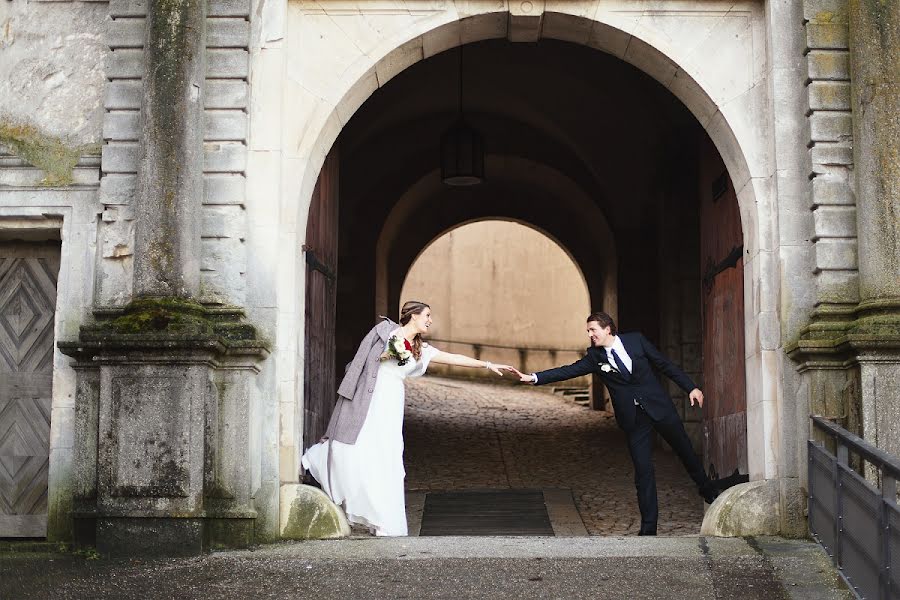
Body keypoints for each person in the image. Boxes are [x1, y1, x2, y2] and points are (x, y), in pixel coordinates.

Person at [302, 300, 512, 537]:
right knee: (357, 444)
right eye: (427, 315)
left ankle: (380, 516)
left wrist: (487, 364)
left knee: (387, 454)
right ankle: (316, 460)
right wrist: (384, 355)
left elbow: (452, 357)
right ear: (413, 315)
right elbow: (360, 363)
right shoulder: (384, 332)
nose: (430, 320)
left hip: (392, 401)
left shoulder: (421, 348)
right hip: (370, 398)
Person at [508, 311, 720, 536]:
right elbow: (568, 371)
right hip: (634, 420)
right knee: (643, 471)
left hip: (660, 409)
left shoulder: (636, 341)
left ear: (607, 328)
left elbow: (665, 365)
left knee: (686, 452)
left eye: (593, 330)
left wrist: (691, 387)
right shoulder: (595, 357)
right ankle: (648, 530)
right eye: (588, 331)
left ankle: (708, 491)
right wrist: (534, 377)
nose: (590, 335)